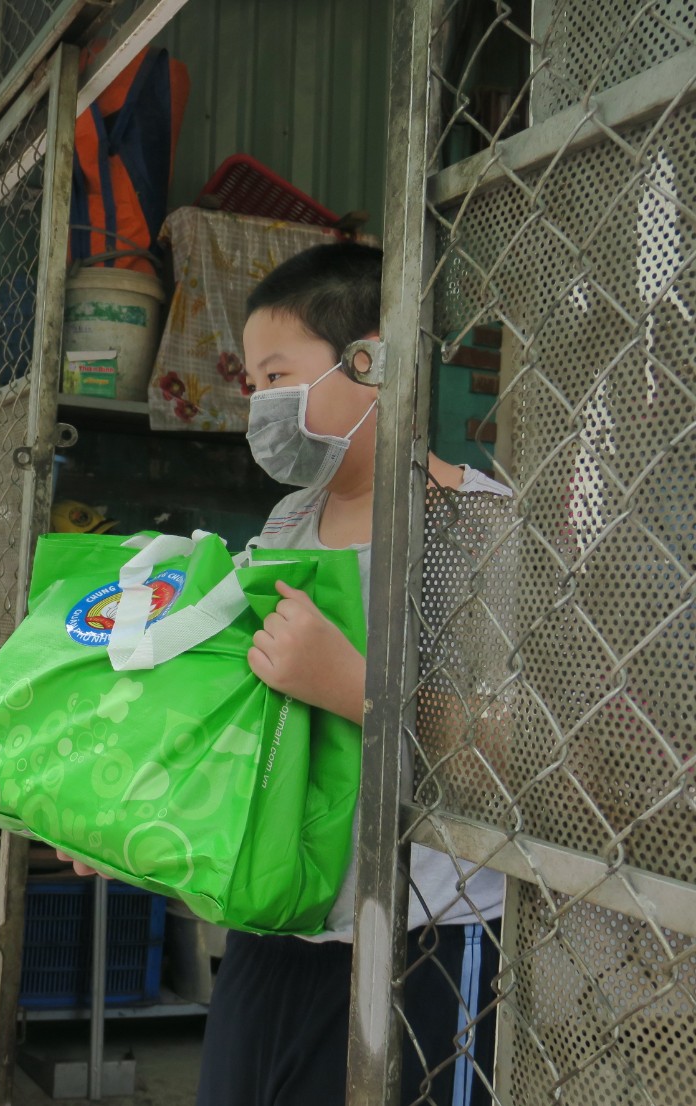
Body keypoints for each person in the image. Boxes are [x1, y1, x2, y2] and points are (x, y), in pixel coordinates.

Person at [192, 242, 509, 1105]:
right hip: (278, 917)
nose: (257, 403)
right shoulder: (290, 520)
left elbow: (514, 759)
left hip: (422, 937)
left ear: (370, 361)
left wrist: (355, 689)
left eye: (276, 375)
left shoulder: (474, 528)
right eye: (252, 385)